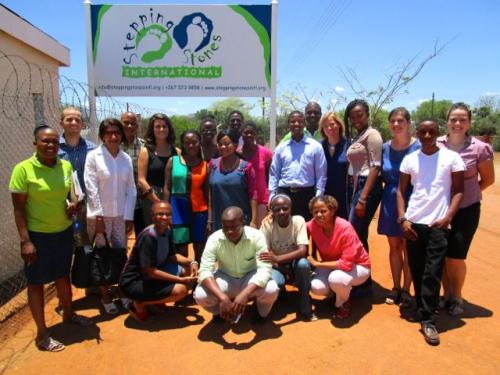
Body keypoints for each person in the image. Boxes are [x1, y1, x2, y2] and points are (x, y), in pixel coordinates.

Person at [10, 126, 92, 352]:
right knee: (36, 283)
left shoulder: (64, 166)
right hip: (37, 236)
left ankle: (69, 314)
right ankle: (42, 334)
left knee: (62, 276)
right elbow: (18, 209)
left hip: (63, 232)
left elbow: (69, 196)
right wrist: (26, 241)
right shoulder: (23, 170)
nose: (50, 146)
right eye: (45, 141)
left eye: (55, 142)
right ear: (35, 143)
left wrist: (73, 207)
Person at [397, 119, 464, 346]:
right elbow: (400, 191)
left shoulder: (451, 158)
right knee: (415, 267)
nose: (426, 135)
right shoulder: (410, 159)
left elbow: (458, 191)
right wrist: (403, 219)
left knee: (432, 271)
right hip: (414, 223)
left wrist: (447, 218)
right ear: (417, 132)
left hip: (438, 224)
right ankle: (421, 305)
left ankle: (428, 320)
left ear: (438, 133)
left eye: (431, 131)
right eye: (423, 131)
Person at [438, 103, 495, 315]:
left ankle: (457, 296)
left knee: (456, 255)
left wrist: (466, 195)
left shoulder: (480, 148)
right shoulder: (437, 144)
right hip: (440, 209)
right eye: (453, 119)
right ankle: (445, 294)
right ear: (447, 121)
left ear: (469, 122)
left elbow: (488, 179)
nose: (457, 123)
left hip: (466, 209)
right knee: (441, 253)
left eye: (462, 119)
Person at [84, 118, 137, 314]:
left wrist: (129, 216)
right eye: (108, 133)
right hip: (101, 217)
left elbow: (131, 189)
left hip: (121, 216)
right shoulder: (94, 157)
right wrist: (98, 217)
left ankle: (122, 292)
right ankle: (105, 296)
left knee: (120, 255)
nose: (113, 136)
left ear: (122, 135)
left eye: (116, 132)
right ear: (102, 136)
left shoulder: (125, 159)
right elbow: (91, 188)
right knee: (101, 256)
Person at [194, 207, 279, 322]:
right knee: (200, 295)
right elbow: (204, 271)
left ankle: (260, 313)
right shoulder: (214, 239)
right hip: (225, 277)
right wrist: (222, 297)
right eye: (226, 227)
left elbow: (265, 269)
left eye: (234, 227)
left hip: (250, 277)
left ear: (243, 223)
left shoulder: (256, 236)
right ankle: (221, 313)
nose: (229, 231)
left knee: (271, 289)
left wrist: (245, 294)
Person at [120, 201, 199, 321]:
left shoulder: (167, 230)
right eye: (160, 214)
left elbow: (173, 256)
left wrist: (192, 262)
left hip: (150, 275)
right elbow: (151, 272)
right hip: (134, 282)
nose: (164, 217)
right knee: (181, 290)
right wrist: (181, 280)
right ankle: (140, 303)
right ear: (152, 216)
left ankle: (155, 300)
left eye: (168, 214)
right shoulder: (148, 237)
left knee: (186, 269)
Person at [377, 107, 420, 306]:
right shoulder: (385, 147)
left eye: (400, 120)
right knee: (394, 246)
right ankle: (395, 287)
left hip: (414, 199)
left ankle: (406, 289)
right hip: (390, 199)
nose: (396, 124)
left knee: (409, 247)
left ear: (408, 123)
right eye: (393, 121)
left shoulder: (419, 146)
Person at [307, 195, 371, 319]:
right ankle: (338, 293)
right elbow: (296, 227)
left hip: (358, 266)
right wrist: (273, 218)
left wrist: (317, 264)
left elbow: (346, 264)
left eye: (323, 211)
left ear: (332, 211)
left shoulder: (345, 227)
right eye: (315, 212)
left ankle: (343, 302)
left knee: (336, 279)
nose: (319, 215)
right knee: (316, 287)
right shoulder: (313, 224)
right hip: (331, 265)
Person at [259, 194, 314, 321]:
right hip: (276, 266)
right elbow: (265, 256)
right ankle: (281, 292)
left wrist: (277, 259)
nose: (282, 212)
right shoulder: (267, 225)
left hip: (292, 261)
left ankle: (305, 303)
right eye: (277, 209)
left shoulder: (298, 220)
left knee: (303, 265)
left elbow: (302, 251)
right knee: (277, 282)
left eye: (285, 208)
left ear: (291, 208)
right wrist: (283, 269)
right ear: (271, 210)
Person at [269, 111, 327, 221]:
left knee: (306, 230)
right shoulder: (281, 148)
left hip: (307, 195)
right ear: (288, 125)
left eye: (300, 121)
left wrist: (318, 196)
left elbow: (321, 174)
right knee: (284, 230)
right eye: (293, 121)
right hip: (284, 193)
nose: (296, 124)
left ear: (304, 124)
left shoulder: (315, 146)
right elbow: (274, 173)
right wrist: (272, 196)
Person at [164, 130, 209, 262]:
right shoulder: (173, 161)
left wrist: (210, 218)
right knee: (181, 247)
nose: (191, 145)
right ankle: (185, 278)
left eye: (194, 142)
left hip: (199, 212)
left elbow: (208, 194)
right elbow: (167, 187)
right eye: (187, 143)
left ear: (199, 143)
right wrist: (166, 212)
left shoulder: (205, 165)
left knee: (200, 247)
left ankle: (200, 278)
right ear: (182, 144)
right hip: (177, 210)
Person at [345, 99, 383, 255]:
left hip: (365, 187)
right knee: (358, 233)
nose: (356, 120)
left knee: (354, 232)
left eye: (359, 115)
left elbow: (376, 166)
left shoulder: (372, 134)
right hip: (354, 185)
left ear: (367, 114)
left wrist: (363, 198)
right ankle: (362, 275)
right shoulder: (358, 136)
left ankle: (363, 275)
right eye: (352, 117)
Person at [58, 107, 96, 246]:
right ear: (61, 123)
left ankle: (83, 266)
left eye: (77, 120)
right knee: (64, 243)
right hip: (61, 205)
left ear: (82, 124)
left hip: (85, 205)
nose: (73, 122)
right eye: (69, 119)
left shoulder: (92, 149)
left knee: (84, 241)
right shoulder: (53, 148)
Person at [208, 130, 257, 231]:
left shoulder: (246, 167)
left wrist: (254, 220)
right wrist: (210, 219)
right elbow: (210, 194)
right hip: (219, 220)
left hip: (240, 221)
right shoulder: (212, 165)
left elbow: (253, 195)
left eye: (226, 144)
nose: (222, 147)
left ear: (235, 145)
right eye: (220, 144)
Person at [137, 113, 178, 227]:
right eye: (157, 126)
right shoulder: (146, 151)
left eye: (164, 126)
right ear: (152, 129)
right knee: (153, 233)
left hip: (172, 198)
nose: (161, 129)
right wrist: (158, 202)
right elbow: (141, 180)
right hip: (151, 198)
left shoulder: (177, 152)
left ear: (169, 128)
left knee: (172, 233)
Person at [240, 121, 273, 227]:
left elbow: (271, 176)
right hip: (242, 199)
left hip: (261, 199)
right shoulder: (236, 153)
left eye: (252, 132)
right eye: (246, 132)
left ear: (256, 134)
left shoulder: (266, 153)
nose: (249, 135)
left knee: (261, 233)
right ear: (241, 134)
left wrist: (270, 197)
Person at [319, 111, 350, 219]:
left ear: (339, 124)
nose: (329, 128)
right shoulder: (318, 146)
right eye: (325, 126)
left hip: (344, 196)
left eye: (332, 124)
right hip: (324, 194)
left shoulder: (349, 145)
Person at [120, 111, 146, 236]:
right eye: (126, 123)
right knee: (119, 242)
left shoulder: (144, 146)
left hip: (140, 202)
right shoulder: (112, 146)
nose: (129, 126)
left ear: (137, 125)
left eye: (133, 123)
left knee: (142, 238)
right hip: (119, 202)